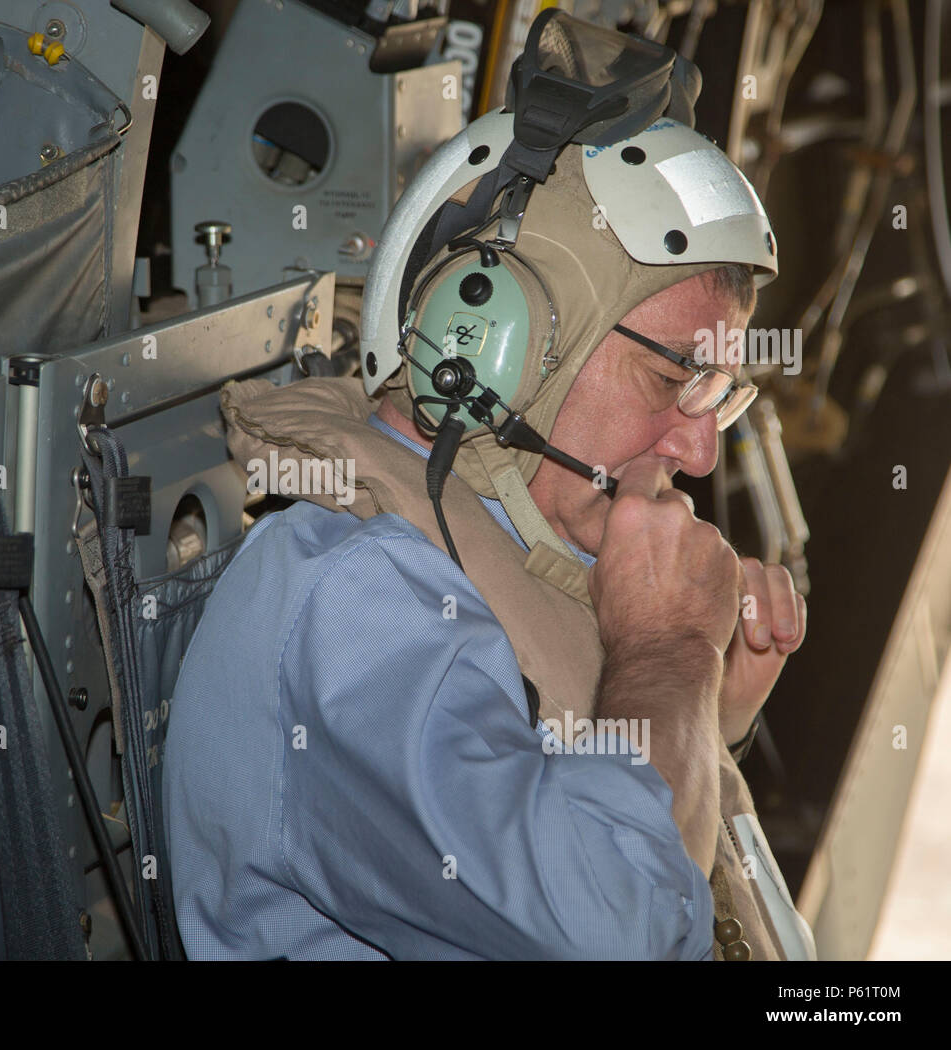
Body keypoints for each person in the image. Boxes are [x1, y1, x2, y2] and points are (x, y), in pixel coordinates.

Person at [163, 12, 817, 961]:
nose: (702, 450)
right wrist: (672, 651)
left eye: (719, 393)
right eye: (677, 378)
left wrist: (705, 722)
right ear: (494, 345)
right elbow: (615, 927)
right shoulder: (352, 608)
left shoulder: (510, 552)